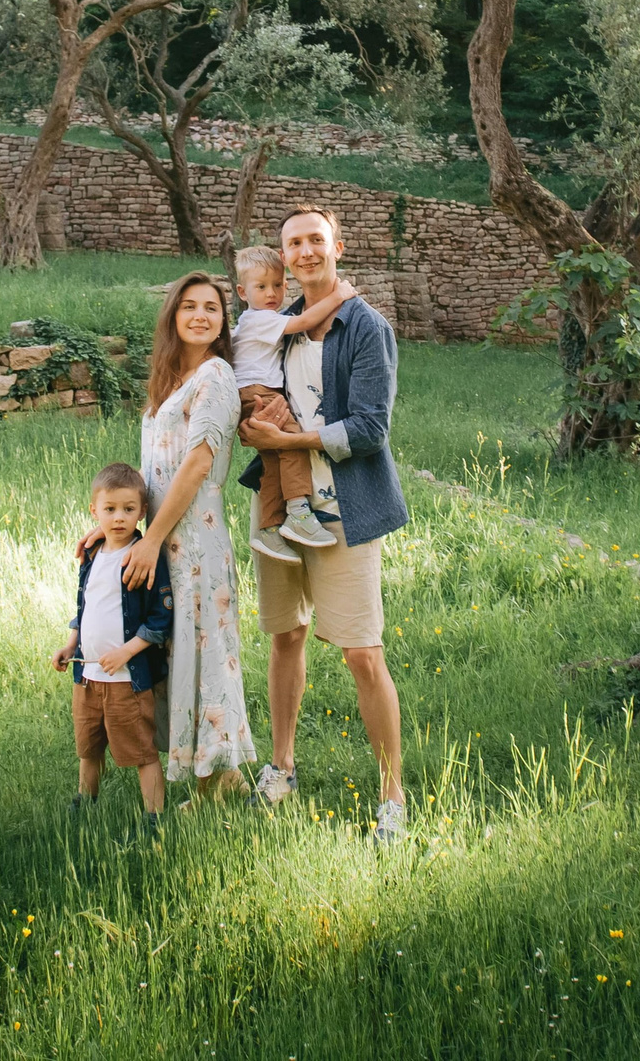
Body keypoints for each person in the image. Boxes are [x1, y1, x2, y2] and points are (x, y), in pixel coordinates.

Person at [237, 205, 411, 842]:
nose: (305, 252)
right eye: (294, 243)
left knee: (363, 654)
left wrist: (289, 442)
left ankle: (392, 795)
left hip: (345, 508)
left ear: (337, 245)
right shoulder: (273, 325)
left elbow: (370, 429)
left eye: (316, 240)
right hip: (280, 507)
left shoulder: (366, 328)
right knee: (286, 637)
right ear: (283, 257)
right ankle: (281, 767)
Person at [124, 272, 258, 796]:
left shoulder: (216, 376)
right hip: (158, 537)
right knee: (175, 652)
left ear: (223, 322)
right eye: (190, 306)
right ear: (173, 316)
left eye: (212, 308)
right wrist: (118, 534)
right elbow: (149, 473)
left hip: (195, 542)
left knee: (206, 653)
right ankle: (219, 777)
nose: (201, 315)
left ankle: (214, 781)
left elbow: (197, 463)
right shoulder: (166, 385)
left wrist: (154, 539)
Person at [53, 462, 173, 821]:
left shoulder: (142, 557)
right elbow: (84, 605)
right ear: (94, 511)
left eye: (128, 509)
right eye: (110, 510)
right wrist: (70, 644)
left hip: (127, 680)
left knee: (141, 751)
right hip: (88, 678)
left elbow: (160, 619)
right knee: (88, 748)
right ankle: (84, 804)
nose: (119, 518)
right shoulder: (92, 555)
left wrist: (126, 651)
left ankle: (154, 817)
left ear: (142, 511)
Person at [228, 244, 355, 563]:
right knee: (293, 444)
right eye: (261, 287)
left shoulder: (252, 320)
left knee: (275, 460)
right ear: (243, 291)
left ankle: (269, 529)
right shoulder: (260, 320)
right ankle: (299, 512)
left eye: (277, 285)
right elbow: (303, 322)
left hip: (250, 394)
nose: (271, 293)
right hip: (261, 394)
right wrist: (338, 296)